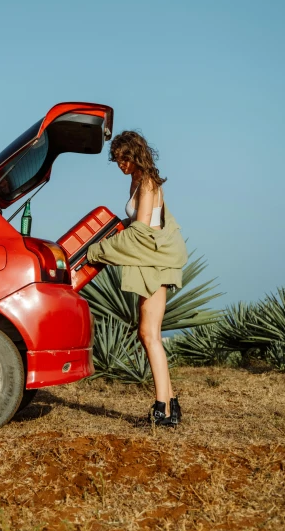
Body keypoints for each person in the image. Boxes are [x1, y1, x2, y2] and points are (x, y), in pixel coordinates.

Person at [86, 130, 188, 426]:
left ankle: (163, 410)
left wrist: (98, 252)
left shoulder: (147, 182)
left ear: (136, 155)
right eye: (117, 159)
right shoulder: (137, 180)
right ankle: (170, 404)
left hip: (155, 263)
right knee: (149, 334)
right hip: (149, 262)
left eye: (124, 158)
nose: (120, 164)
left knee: (148, 333)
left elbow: (141, 232)